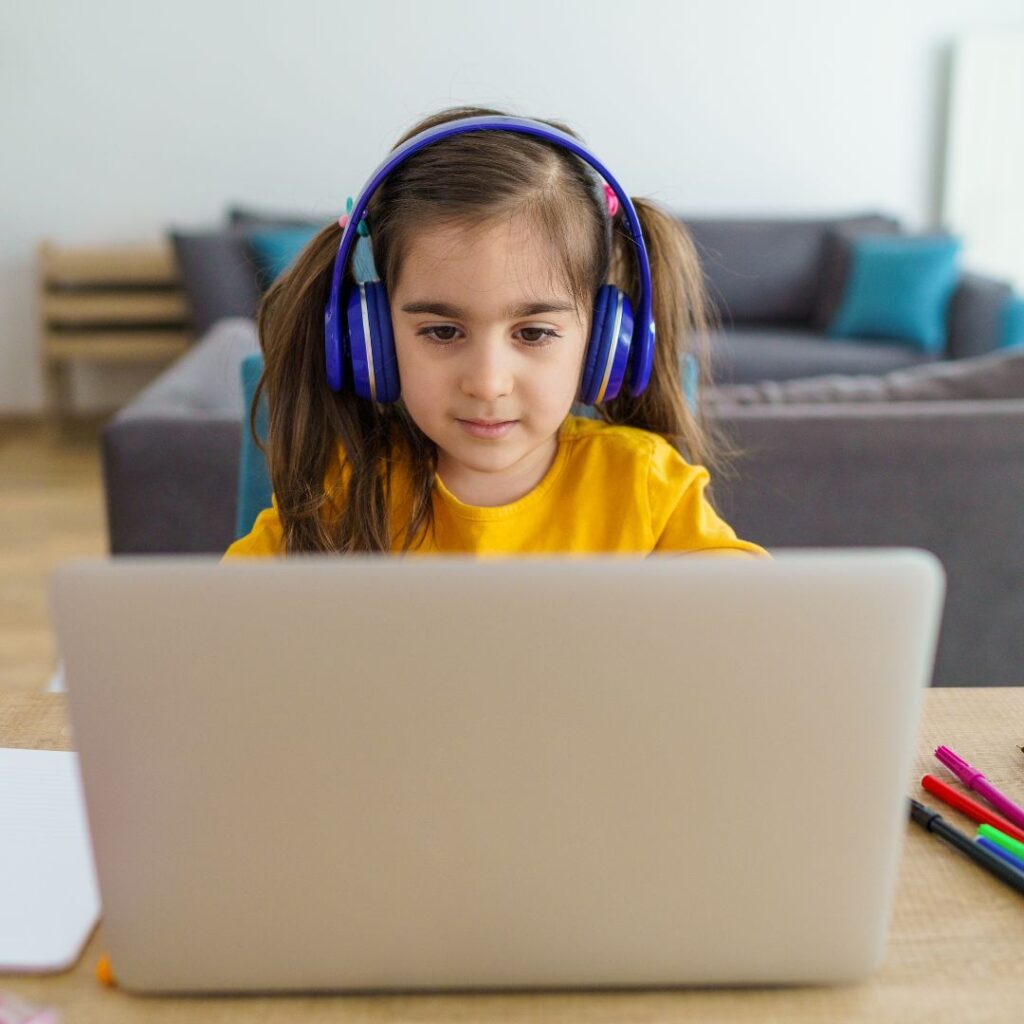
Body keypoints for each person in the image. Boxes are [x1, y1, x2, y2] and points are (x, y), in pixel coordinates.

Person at [224, 106, 767, 559]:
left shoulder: (646, 486)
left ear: (603, 344)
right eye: (441, 331)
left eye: (533, 334)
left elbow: (758, 630)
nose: (487, 384)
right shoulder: (337, 496)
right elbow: (217, 628)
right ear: (373, 341)